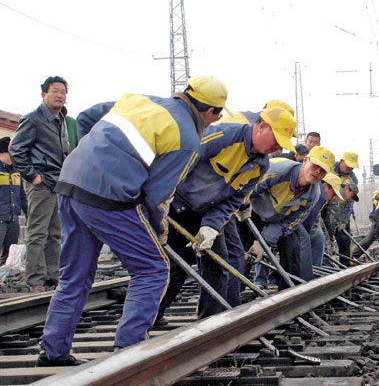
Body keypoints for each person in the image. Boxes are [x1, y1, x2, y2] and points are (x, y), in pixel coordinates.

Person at [36, 75, 226, 367]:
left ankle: (52, 353)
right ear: (210, 112)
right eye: (217, 115)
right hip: (110, 197)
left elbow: (86, 117)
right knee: (153, 269)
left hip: (71, 182)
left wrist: (92, 153)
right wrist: (158, 229)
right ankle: (128, 353)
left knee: (74, 275)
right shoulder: (188, 139)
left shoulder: (138, 100)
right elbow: (156, 196)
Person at [154, 103, 296, 324]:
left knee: (218, 266)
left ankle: (210, 325)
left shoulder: (260, 166)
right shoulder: (224, 136)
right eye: (276, 140)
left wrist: (211, 225)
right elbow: (182, 158)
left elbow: (234, 199)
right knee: (176, 267)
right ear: (262, 127)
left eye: (281, 145)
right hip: (178, 206)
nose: (277, 149)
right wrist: (164, 195)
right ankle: (151, 315)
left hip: (208, 212)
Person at [240, 146, 334, 289]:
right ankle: (233, 292)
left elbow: (290, 223)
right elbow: (248, 188)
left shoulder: (313, 195)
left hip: (277, 220)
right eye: (316, 166)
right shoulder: (277, 171)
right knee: (241, 252)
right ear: (306, 160)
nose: (317, 172)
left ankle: (288, 292)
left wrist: (264, 241)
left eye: (323, 170)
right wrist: (241, 206)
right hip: (251, 212)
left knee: (293, 246)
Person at [9, 76, 70, 292]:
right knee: (37, 232)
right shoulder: (34, 118)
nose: (60, 95)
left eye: (63, 91)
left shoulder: (61, 119)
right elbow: (16, 149)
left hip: (57, 183)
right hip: (41, 183)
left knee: (55, 233)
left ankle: (52, 275)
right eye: (55, 91)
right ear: (44, 94)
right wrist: (33, 176)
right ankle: (35, 279)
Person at [302, 172, 343, 268]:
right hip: (292, 221)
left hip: (302, 221)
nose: (331, 198)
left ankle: (315, 271)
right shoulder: (319, 195)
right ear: (325, 186)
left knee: (319, 237)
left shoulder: (320, 194)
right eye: (332, 194)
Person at [0, 137, 27, 265]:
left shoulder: (16, 171)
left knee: (9, 254)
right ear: (2, 153)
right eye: (10, 152)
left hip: (13, 219)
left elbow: (21, 193)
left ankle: (4, 279)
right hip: (0, 218)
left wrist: (28, 212)